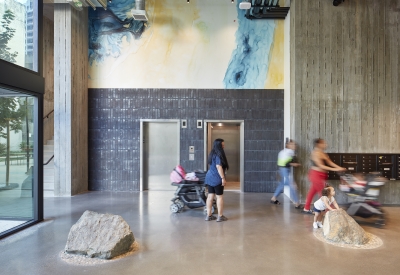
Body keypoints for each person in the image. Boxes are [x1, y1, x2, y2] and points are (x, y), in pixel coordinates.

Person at [303, 138, 346, 214]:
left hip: (321, 175)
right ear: (318, 144)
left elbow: (330, 163)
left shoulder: (323, 153)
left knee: (312, 191)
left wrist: (339, 168)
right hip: (315, 175)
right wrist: (335, 169)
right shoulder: (315, 153)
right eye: (323, 143)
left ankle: (306, 208)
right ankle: (331, 210)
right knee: (324, 193)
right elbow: (321, 166)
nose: (326, 145)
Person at [270, 140, 301, 208]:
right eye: (292, 144)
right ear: (287, 145)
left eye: (294, 144)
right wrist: (294, 164)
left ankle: (273, 198)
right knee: (292, 185)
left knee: (282, 184)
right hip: (285, 170)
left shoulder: (282, 151)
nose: (294, 146)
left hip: (281, 169)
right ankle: (297, 202)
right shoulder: (290, 152)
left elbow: (282, 162)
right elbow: (287, 163)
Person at [205, 138, 229, 222]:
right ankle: (220, 216)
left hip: (209, 177)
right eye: (222, 145)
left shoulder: (212, 153)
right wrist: (223, 178)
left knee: (210, 196)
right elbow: (219, 167)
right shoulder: (218, 155)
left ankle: (209, 215)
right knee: (219, 197)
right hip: (217, 178)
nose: (224, 146)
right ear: (219, 146)